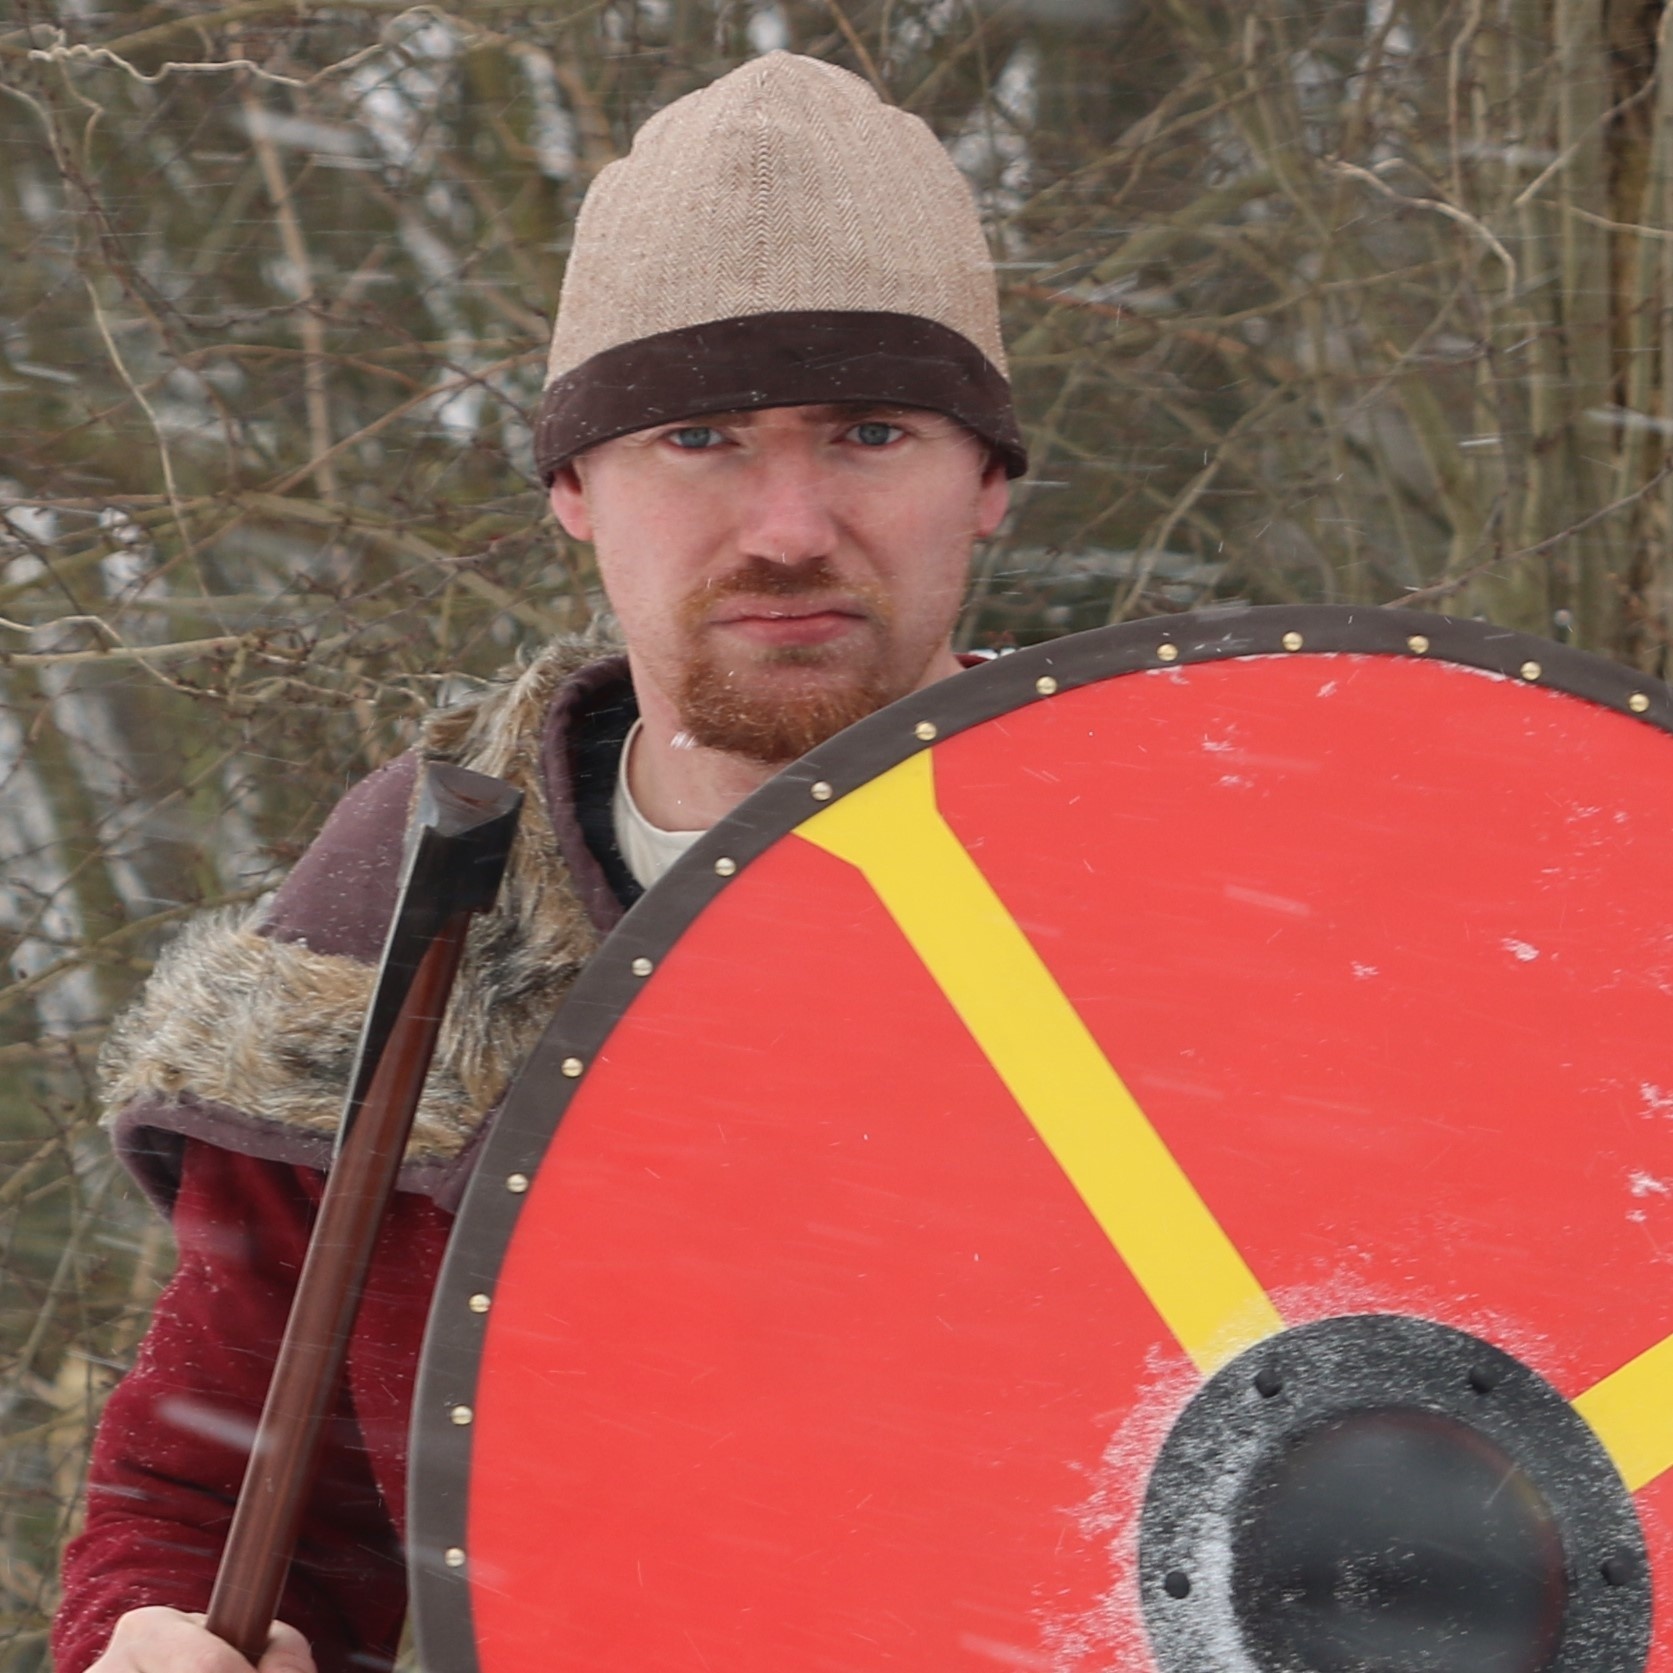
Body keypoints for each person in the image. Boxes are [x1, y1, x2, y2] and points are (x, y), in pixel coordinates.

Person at [55, 50, 1026, 1673]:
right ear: (574, 489)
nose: (787, 523)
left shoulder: (1199, 891)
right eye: (699, 437)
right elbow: (211, 1498)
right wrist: (153, 1643)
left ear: (986, 484)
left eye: (868, 431)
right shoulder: (410, 926)